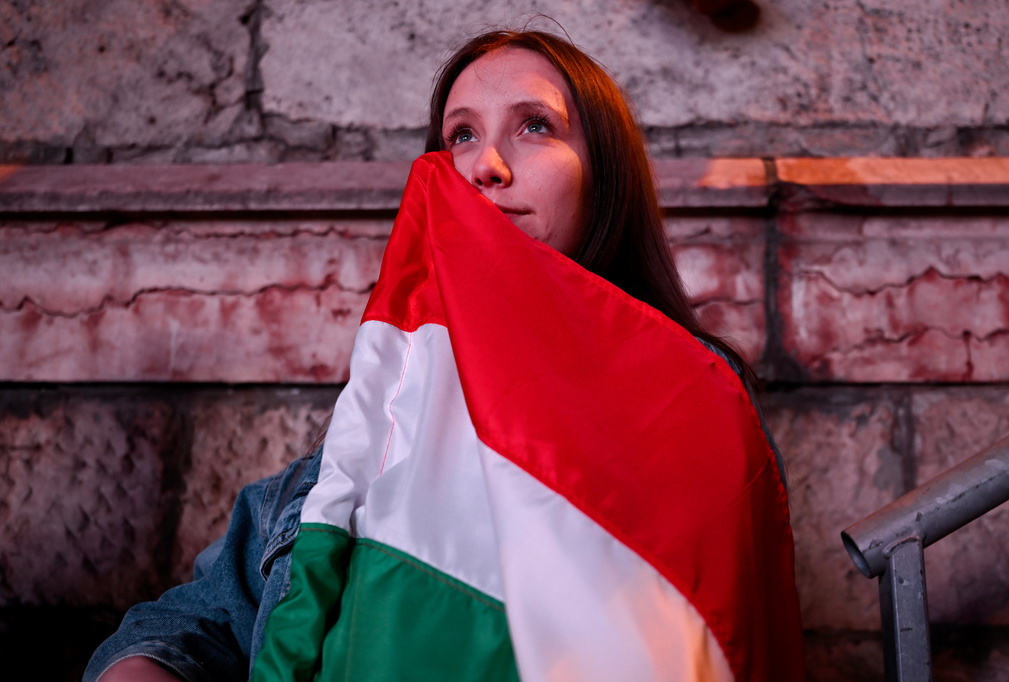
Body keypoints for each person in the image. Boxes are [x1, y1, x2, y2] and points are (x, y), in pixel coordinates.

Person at [87, 29, 802, 682]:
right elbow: (193, 624)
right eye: (460, 136)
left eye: (535, 126)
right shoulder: (377, 421)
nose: (486, 165)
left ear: (602, 175)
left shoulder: (691, 397)